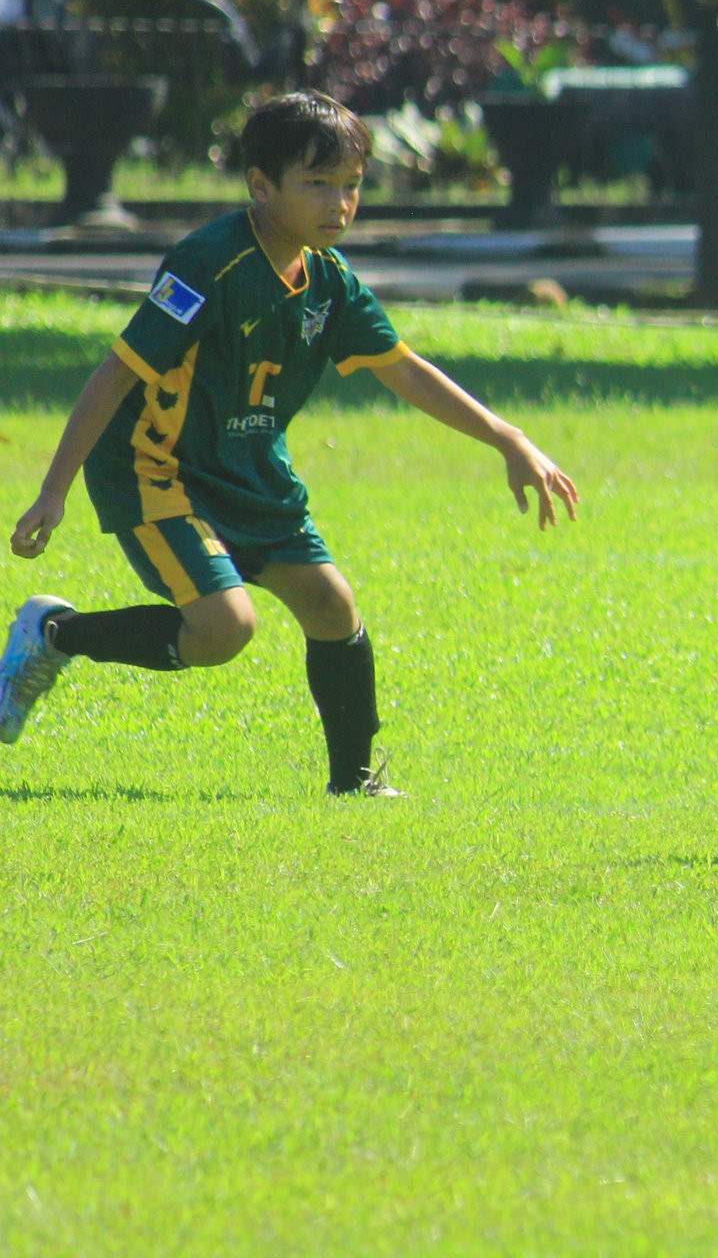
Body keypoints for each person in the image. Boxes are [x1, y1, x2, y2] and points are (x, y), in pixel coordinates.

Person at [1, 90, 580, 794]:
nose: (339, 203)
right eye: (318, 184)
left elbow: (406, 371)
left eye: (352, 186)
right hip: (156, 468)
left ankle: (356, 783)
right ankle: (56, 634)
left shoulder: (329, 282)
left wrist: (507, 437)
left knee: (332, 604)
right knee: (223, 629)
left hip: (248, 467)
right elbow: (116, 375)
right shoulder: (206, 264)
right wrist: (53, 492)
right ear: (260, 186)